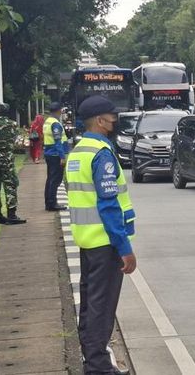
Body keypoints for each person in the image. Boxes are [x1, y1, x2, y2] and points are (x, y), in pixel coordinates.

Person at [65, 95, 136, 375]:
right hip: (105, 242)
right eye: (112, 117)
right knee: (102, 307)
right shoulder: (101, 154)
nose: (115, 122)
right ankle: (97, 366)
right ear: (100, 120)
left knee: (90, 303)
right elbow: (108, 205)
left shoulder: (78, 151)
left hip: (87, 240)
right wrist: (124, 247)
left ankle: (93, 360)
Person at [43, 102, 68, 211]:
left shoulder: (47, 121)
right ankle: (52, 203)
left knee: (50, 179)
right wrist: (62, 157)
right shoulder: (55, 124)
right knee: (55, 180)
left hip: (49, 153)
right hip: (55, 154)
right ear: (59, 111)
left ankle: (49, 202)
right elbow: (58, 141)